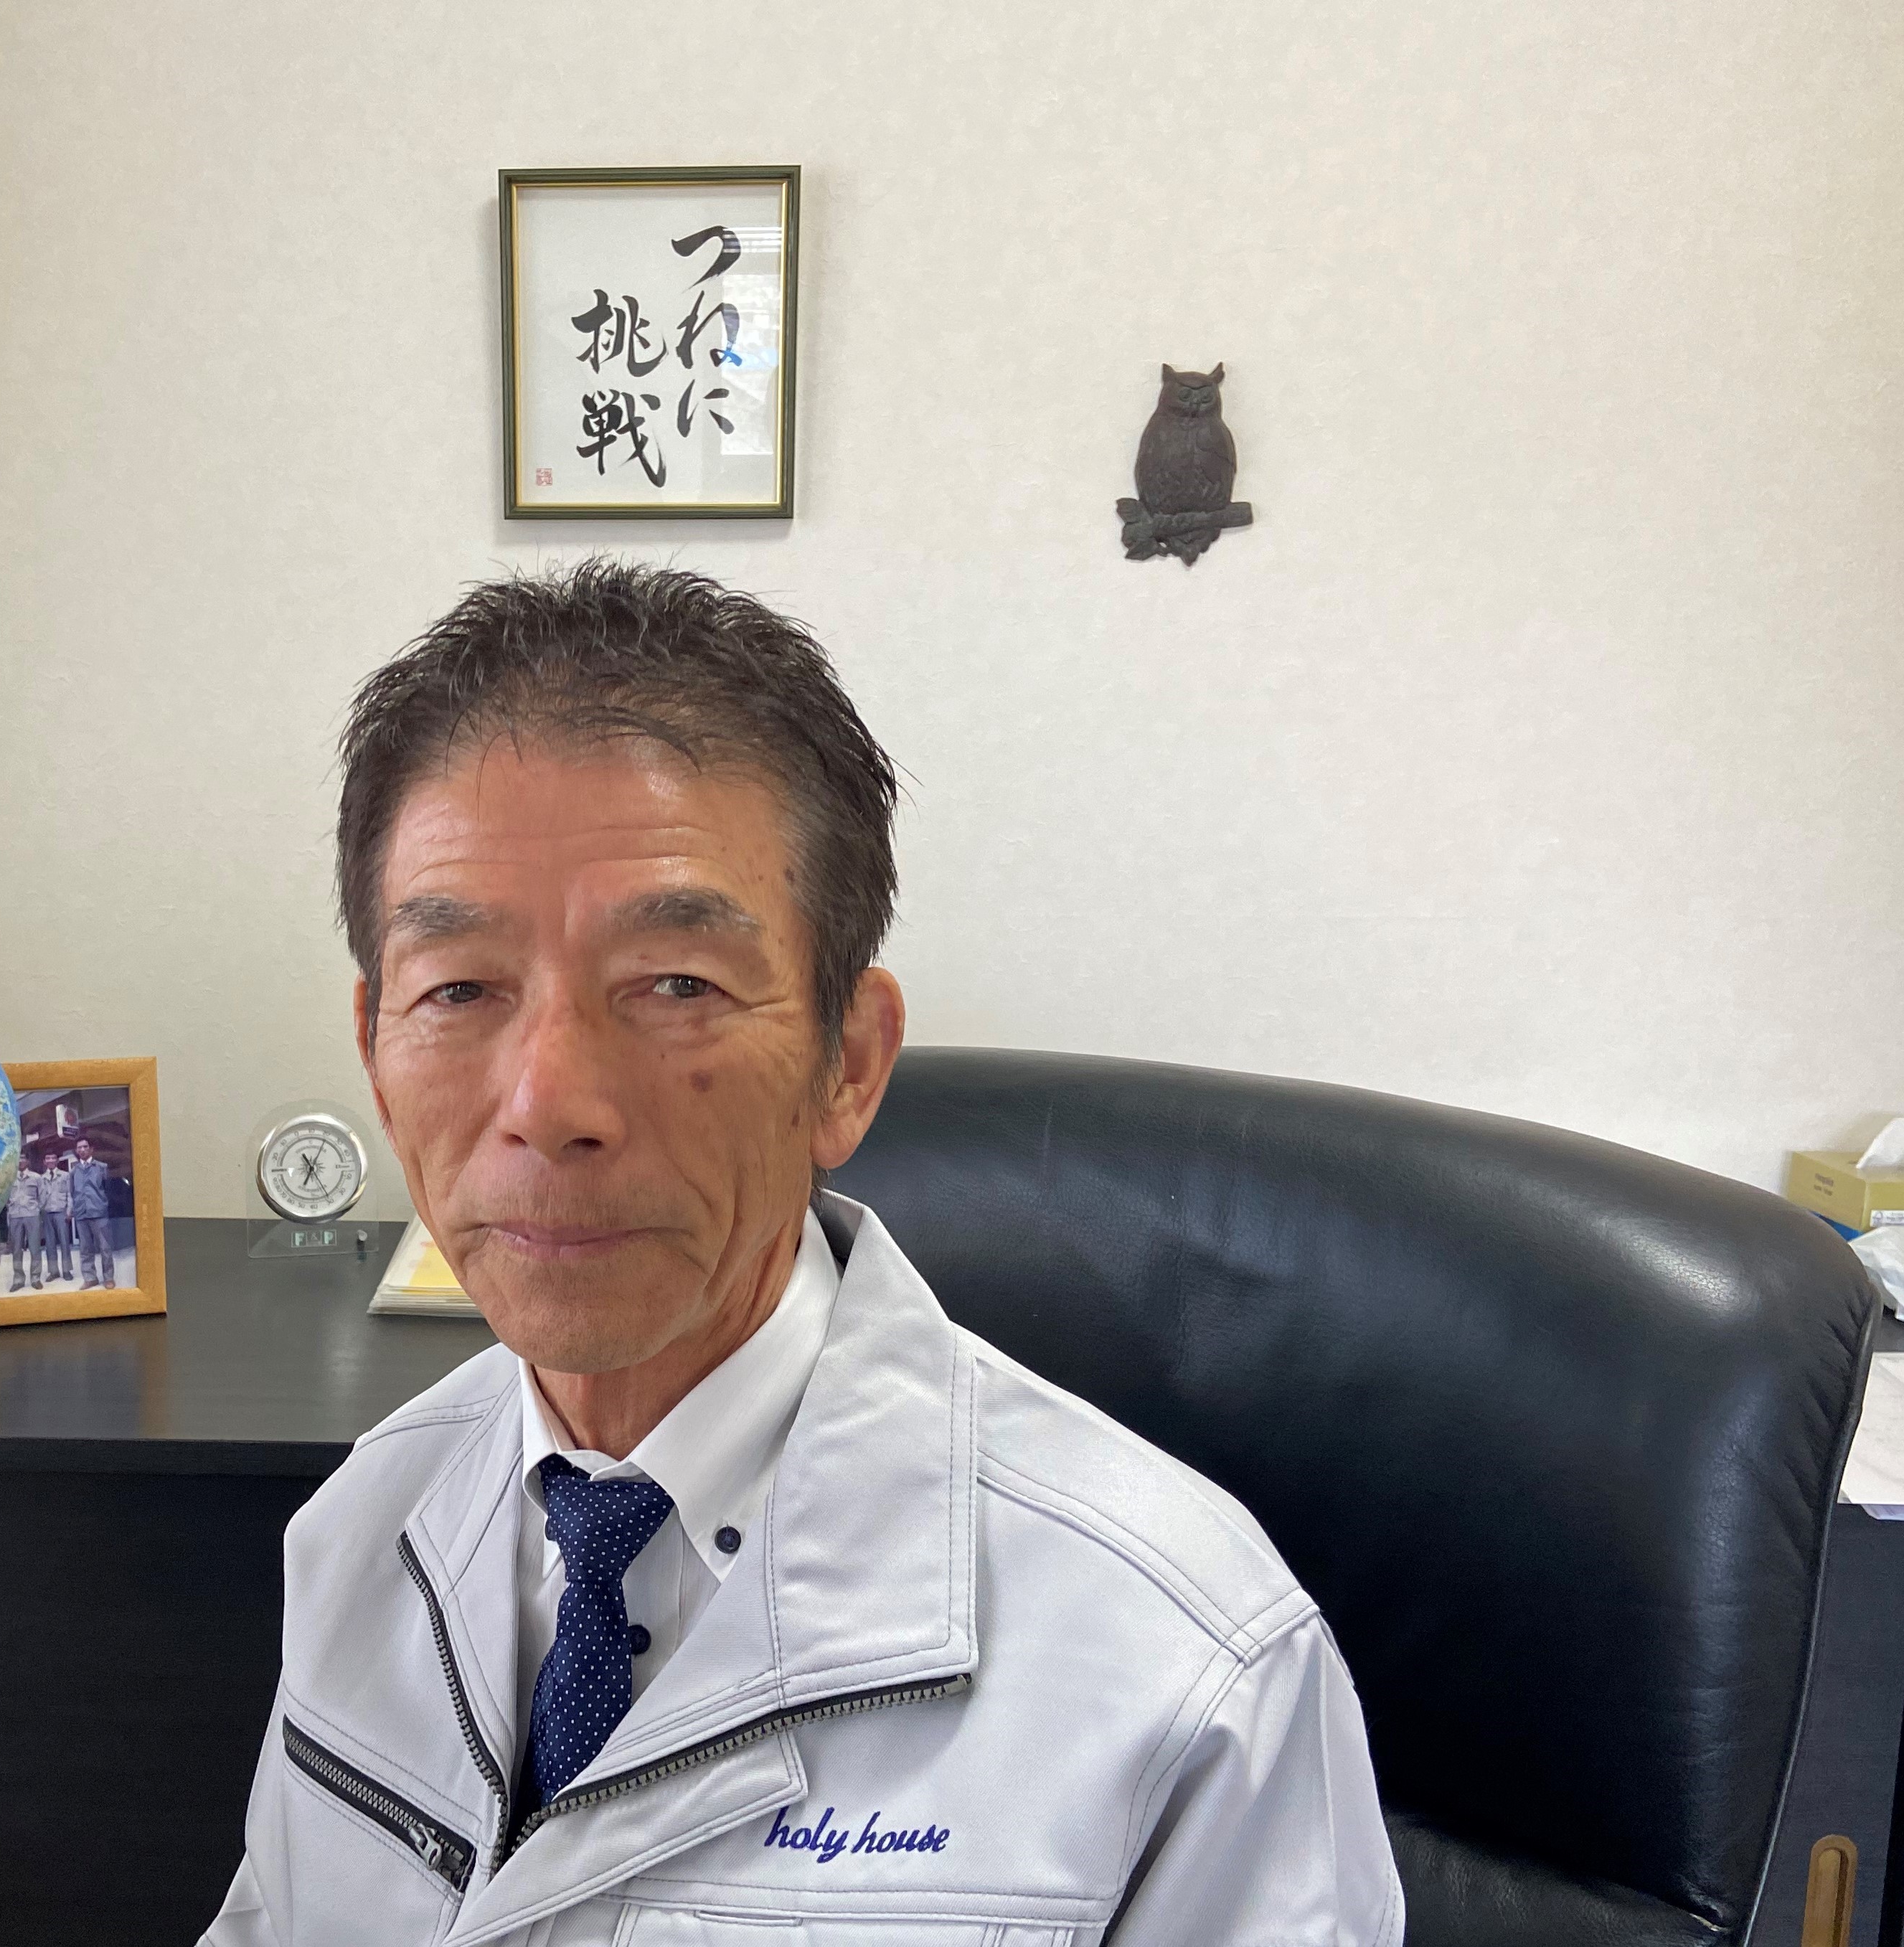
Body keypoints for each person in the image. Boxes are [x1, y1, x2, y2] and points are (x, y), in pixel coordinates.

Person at [204, 562, 1401, 1946]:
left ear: (848, 1062)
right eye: (459, 987)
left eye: (676, 984)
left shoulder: (1188, 1669)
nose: (546, 1101)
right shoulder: (367, 1519)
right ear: (374, 1049)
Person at [67, 1136, 118, 1288]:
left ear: (91, 1149)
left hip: (99, 1214)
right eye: (79, 1148)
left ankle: (108, 1278)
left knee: (105, 1247)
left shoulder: (102, 1168)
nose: (82, 1150)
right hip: (81, 1214)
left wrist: (103, 1206)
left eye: (85, 1147)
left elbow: (109, 1190)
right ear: (76, 1151)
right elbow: (72, 1193)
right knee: (85, 1249)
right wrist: (72, 1210)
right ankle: (90, 1278)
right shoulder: (74, 1172)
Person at [3, 1147, 44, 1293]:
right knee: (16, 1249)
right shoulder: (9, 1178)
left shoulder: (36, 1178)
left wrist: (36, 1209)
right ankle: (18, 1280)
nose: (20, 1161)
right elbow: (5, 1197)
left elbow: (42, 1197)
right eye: (18, 1159)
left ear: (28, 1161)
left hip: (32, 1216)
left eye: (23, 1158)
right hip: (15, 1216)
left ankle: (35, 1278)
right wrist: (11, 1207)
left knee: (35, 1248)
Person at [33, 1148, 75, 1288]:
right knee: (49, 1244)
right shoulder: (41, 1178)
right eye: (48, 1158)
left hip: (61, 1212)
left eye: (53, 1158)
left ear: (57, 1160)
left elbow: (70, 1194)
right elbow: (38, 1197)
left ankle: (67, 1270)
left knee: (65, 1242)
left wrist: (69, 1211)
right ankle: (54, 1271)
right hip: (47, 1212)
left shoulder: (65, 1176)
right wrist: (39, 1213)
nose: (50, 1161)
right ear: (44, 1162)